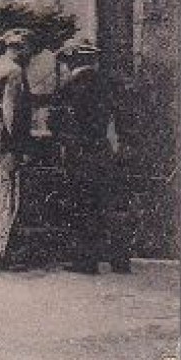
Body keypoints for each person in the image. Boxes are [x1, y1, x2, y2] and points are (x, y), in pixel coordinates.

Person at [49, 40, 132, 273]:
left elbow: (60, 122)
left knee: (83, 205)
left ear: (72, 60)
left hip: (80, 152)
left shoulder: (70, 87)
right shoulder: (108, 83)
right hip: (103, 148)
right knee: (108, 204)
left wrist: (63, 144)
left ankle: (86, 261)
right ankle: (119, 259)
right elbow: (121, 117)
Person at [0, 28, 35, 269]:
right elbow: (11, 111)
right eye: (28, 48)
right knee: (9, 196)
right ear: (20, 48)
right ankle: (3, 253)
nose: (30, 53)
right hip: (6, 141)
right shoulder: (14, 72)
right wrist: (21, 144)